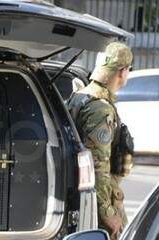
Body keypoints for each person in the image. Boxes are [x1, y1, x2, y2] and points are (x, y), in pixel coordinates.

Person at [67, 42, 134, 240]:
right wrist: (108, 213)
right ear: (122, 72)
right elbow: (98, 165)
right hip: (100, 203)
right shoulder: (100, 109)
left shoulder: (81, 96)